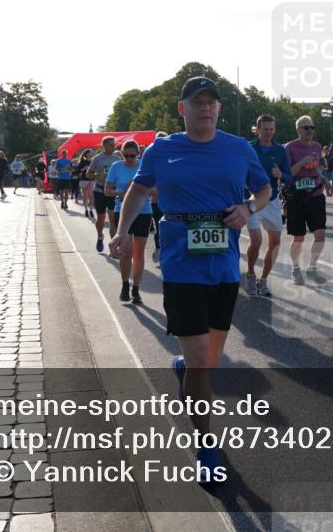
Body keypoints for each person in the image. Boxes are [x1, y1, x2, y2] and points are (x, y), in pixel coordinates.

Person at [109, 76, 270, 483]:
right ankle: (205, 444)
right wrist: (123, 230)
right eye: (197, 102)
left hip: (224, 267)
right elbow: (138, 191)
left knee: (209, 358)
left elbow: (265, 188)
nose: (206, 108)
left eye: (212, 102)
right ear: (182, 109)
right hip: (181, 267)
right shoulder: (163, 150)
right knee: (202, 362)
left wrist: (248, 208)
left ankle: (186, 366)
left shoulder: (239, 148)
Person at [244, 115, 291, 298]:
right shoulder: (248, 148)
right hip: (253, 199)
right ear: (258, 129)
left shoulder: (280, 150)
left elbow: (288, 177)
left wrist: (281, 174)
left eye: (271, 129)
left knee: (275, 243)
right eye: (265, 129)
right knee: (256, 241)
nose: (269, 132)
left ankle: (263, 281)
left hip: (272, 200)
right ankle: (250, 275)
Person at [105, 140, 153, 303]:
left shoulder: (145, 166)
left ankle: (136, 289)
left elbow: (156, 191)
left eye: (132, 156)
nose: (129, 159)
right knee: (126, 250)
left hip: (144, 212)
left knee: (139, 252)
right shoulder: (116, 167)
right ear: (122, 154)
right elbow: (107, 190)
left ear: (138, 154)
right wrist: (122, 192)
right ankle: (125, 284)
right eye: (126, 156)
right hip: (123, 211)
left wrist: (139, 189)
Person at [284, 116, 329, 286]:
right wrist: (302, 162)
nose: (310, 130)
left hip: (316, 195)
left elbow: (315, 168)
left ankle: (312, 267)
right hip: (296, 197)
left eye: (312, 127)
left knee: (320, 233)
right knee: (299, 237)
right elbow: (287, 174)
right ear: (298, 130)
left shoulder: (317, 147)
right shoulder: (290, 147)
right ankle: (295, 269)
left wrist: (323, 178)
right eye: (306, 128)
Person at [88, 137, 124, 252]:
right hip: (99, 191)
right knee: (101, 218)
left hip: (113, 191)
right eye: (111, 145)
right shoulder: (97, 158)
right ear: (104, 146)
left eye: (114, 144)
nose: (114, 146)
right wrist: (98, 176)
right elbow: (88, 174)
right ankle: (100, 236)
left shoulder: (118, 158)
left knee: (113, 218)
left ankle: (113, 246)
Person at [148, 132, 168, 265]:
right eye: (157, 141)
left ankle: (168, 252)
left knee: (172, 227)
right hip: (156, 201)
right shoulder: (150, 158)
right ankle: (160, 250)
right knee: (159, 228)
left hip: (173, 202)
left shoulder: (174, 157)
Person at [76, 149, 94, 217]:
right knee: (85, 196)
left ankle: (91, 210)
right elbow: (77, 171)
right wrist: (83, 169)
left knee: (91, 195)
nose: (93, 153)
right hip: (84, 180)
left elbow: (98, 169)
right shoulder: (82, 161)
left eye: (92, 152)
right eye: (91, 152)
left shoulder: (93, 161)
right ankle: (86, 210)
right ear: (87, 154)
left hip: (92, 179)